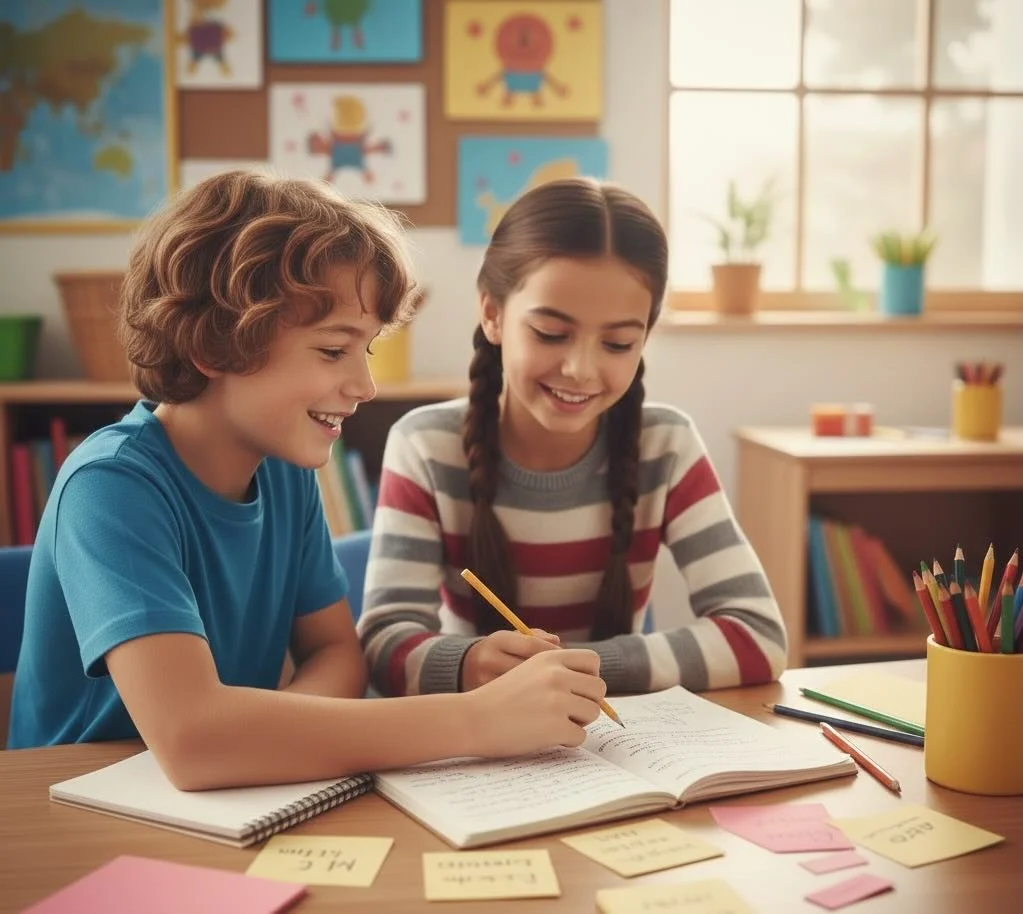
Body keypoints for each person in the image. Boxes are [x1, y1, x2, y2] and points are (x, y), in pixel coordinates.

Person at [7, 171, 607, 787]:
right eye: (331, 350)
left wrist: (266, 733)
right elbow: (192, 740)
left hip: (233, 794)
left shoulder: (284, 471)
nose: (365, 387)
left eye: (367, 350)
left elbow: (337, 656)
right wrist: (475, 721)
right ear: (215, 345)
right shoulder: (110, 488)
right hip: (75, 810)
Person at [358, 177, 787, 698]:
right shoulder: (425, 445)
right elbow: (383, 647)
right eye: (550, 334)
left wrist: (583, 669)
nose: (581, 369)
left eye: (618, 342)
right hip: (474, 743)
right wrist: (475, 664)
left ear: (644, 338)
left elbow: (758, 634)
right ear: (493, 313)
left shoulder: (666, 445)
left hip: (615, 743)